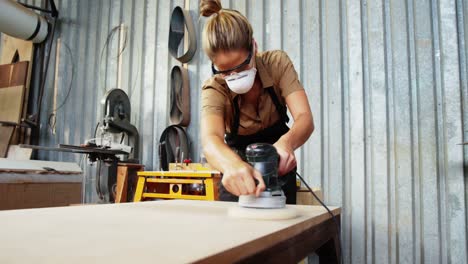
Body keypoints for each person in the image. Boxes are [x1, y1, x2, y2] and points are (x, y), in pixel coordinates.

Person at [199, 0, 314, 204]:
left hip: (277, 164)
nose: (234, 75)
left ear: (254, 46)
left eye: (241, 67)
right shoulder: (215, 87)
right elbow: (211, 139)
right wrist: (232, 165)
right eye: (225, 71)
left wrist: (286, 143)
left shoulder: (276, 64)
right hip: (237, 172)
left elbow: (305, 118)